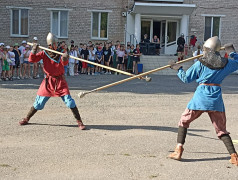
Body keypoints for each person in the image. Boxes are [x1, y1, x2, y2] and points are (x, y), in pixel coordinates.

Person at [168, 36, 238, 166]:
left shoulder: (200, 63)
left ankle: (178, 150)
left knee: (183, 121)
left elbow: (186, 79)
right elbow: (237, 62)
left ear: (207, 49)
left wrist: (178, 69)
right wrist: (232, 52)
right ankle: (234, 156)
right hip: (215, 99)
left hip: (200, 98)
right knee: (221, 130)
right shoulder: (227, 63)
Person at [19, 32, 86, 130]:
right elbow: (31, 60)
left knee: (70, 102)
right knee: (38, 103)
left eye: (57, 43)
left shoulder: (61, 52)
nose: (57, 45)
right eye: (55, 43)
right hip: (48, 81)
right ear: (50, 45)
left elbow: (65, 63)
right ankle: (27, 118)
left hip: (60, 81)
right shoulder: (44, 53)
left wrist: (65, 57)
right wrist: (34, 49)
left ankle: (79, 122)